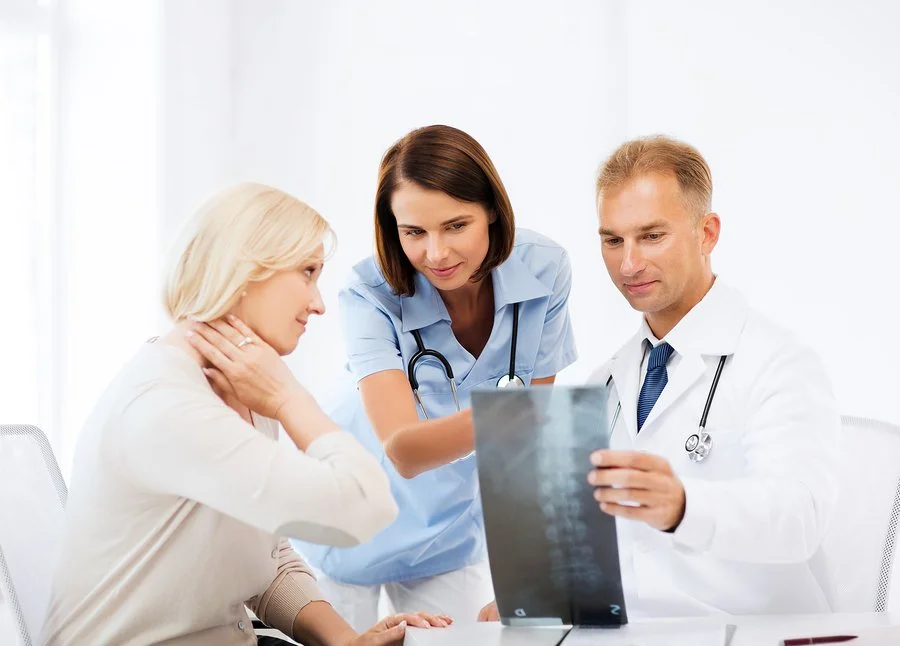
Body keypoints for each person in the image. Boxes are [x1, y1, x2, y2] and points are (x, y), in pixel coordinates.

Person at [42, 183, 449, 646]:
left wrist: (346, 641)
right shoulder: (167, 405)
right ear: (244, 271)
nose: (318, 304)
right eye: (308, 272)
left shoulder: (239, 388)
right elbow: (365, 507)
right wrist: (290, 399)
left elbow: (267, 557)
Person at [479, 135, 841, 620]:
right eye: (613, 240)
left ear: (707, 233)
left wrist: (684, 505)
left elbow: (801, 517)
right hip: (639, 632)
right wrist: (538, 595)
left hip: (751, 631)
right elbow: (603, 545)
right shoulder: (607, 379)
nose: (628, 264)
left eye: (651, 236)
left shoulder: (778, 360)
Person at [294, 125, 578, 630]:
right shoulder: (368, 292)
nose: (437, 254)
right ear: (392, 229)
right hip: (346, 520)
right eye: (414, 233)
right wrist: (523, 418)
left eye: (456, 225)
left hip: (447, 530)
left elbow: (525, 451)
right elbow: (403, 450)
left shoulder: (544, 270)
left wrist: (529, 574)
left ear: (492, 208)